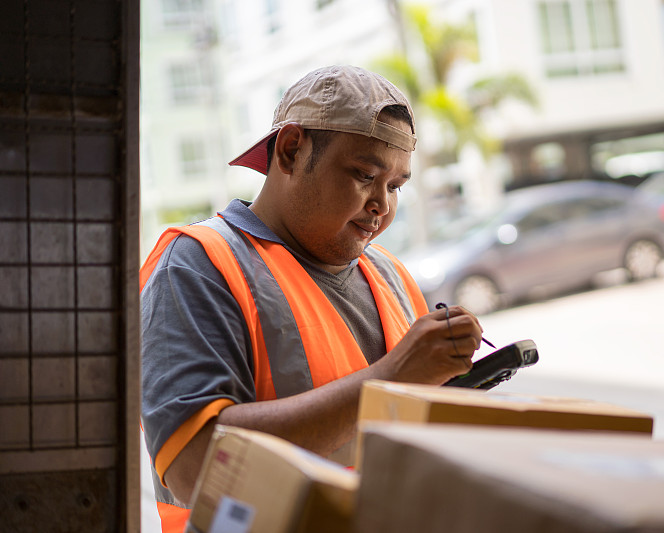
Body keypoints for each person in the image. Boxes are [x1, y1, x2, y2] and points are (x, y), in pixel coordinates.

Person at [140, 65, 485, 532]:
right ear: (290, 150)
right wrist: (392, 378)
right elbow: (194, 465)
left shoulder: (390, 274)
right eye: (364, 174)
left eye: (396, 186)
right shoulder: (197, 265)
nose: (382, 205)